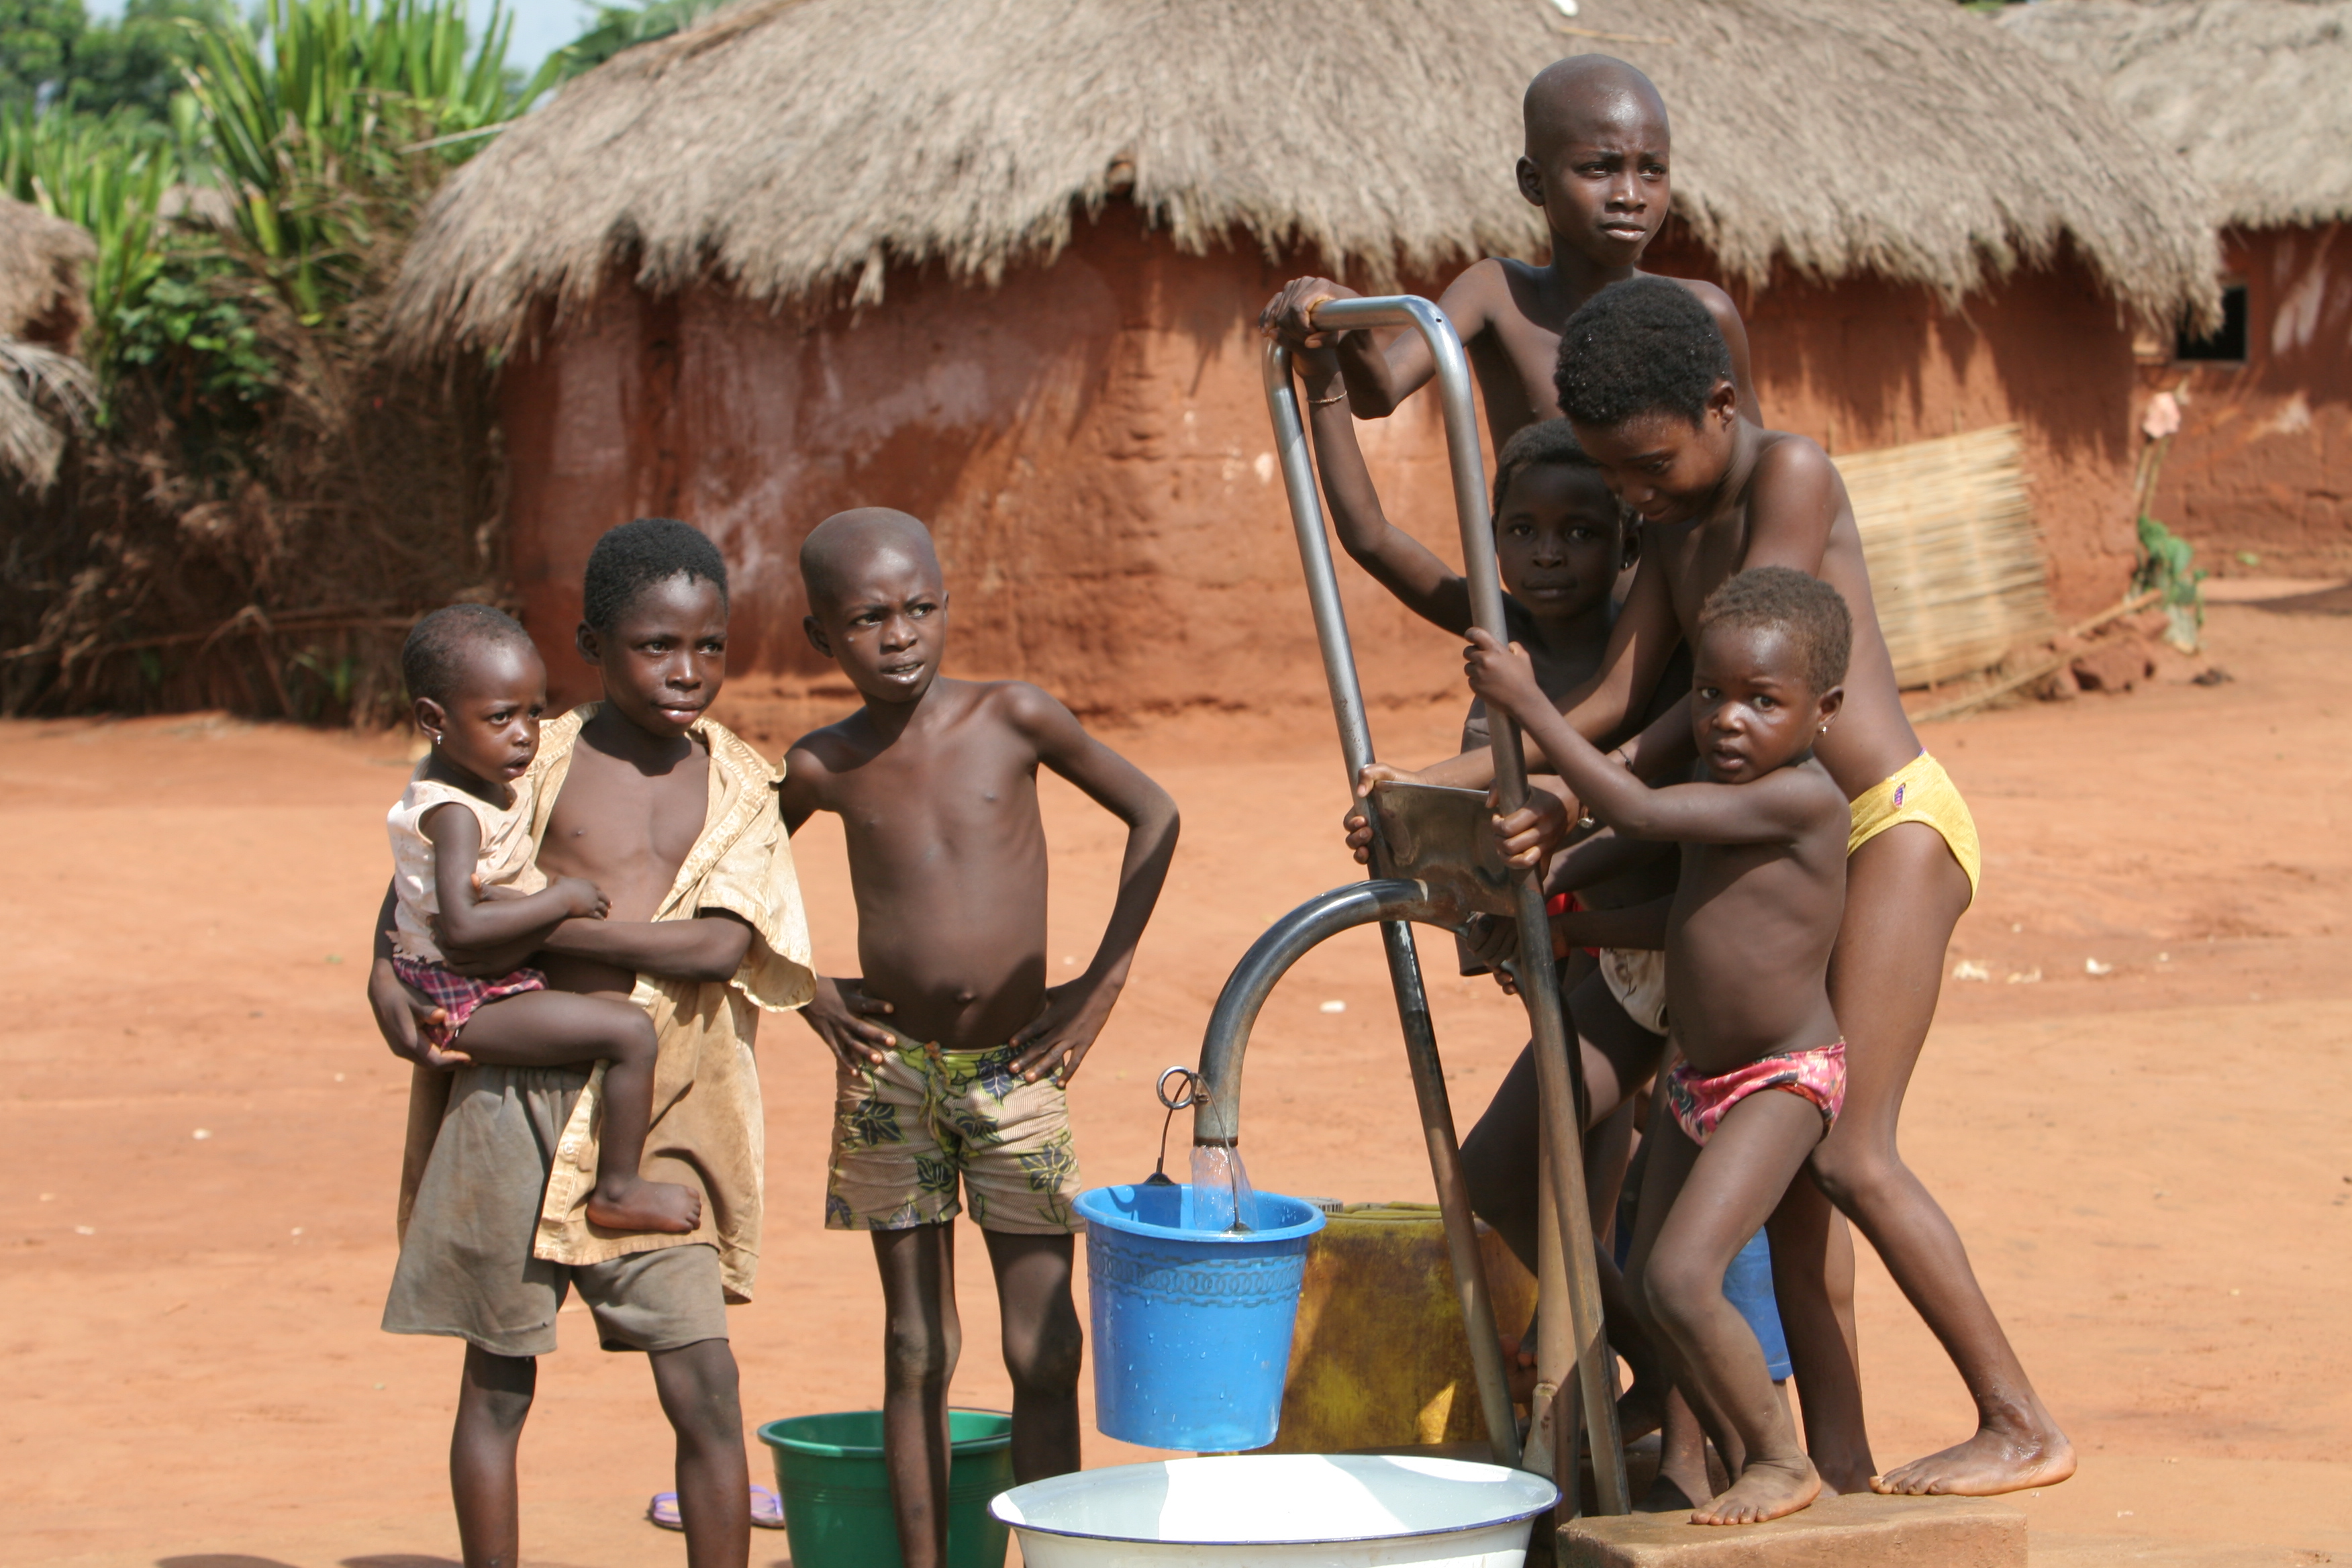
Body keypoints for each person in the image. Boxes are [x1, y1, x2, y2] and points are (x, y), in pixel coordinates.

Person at [1373, 277, 2073, 1497]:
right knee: (1795, 1193)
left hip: (1878, 827)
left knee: (1850, 1155)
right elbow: (1628, 703)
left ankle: (2018, 1421)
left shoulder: (1784, 477)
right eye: (1617, 480)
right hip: (1765, 848)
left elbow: (1728, 712)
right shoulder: (1674, 518)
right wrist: (1434, 786)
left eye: (1644, 468)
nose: (1631, 499)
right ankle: (1833, 1463)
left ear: (1717, 405)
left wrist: (1570, 794)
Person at [369, 519, 816, 1568]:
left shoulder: (747, 785)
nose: (687, 671)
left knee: (706, 1383)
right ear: (593, 646)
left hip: (663, 1116)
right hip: (512, 1099)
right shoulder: (531, 753)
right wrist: (384, 976)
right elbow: (423, 887)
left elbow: (720, 948)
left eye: (710, 647)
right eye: (657, 645)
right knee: (496, 1380)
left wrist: (560, 925)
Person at [779, 508, 1179, 1568]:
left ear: (948, 604)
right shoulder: (821, 764)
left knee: (1044, 1347)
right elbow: (730, 883)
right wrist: (808, 991)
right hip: (889, 1074)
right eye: (867, 619)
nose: (900, 635)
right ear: (822, 638)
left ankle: (1053, 1556)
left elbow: (1156, 813)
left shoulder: (1016, 716)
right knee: (916, 1345)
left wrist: (1098, 986)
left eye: (918, 608)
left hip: (1020, 1072)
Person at [1467, 565, 1856, 1525]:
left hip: (1778, 1081)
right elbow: (1682, 918)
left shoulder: (1804, 801)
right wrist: (1573, 932)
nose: (1728, 720)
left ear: (1825, 713)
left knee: (1684, 1275)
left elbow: (1634, 812)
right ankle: (1735, 1450)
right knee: (1651, 1278)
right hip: (1699, 1075)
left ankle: (1779, 1456)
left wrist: (1527, 708)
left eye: (1763, 702)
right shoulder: (1734, 792)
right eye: (1709, 695)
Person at [384, 603, 701, 1236]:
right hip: (467, 999)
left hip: (475, 985)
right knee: (630, 1034)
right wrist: (561, 898)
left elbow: (407, 893)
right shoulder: (456, 815)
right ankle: (617, 1187)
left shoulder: (473, 779)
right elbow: (464, 928)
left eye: (535, 710)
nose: (526, 733)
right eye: (501, 717)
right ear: (433, 720)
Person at [1258, 53, 1757, 452]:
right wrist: (1344, 319)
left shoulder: (1704, 313)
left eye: (1652, 170)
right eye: (1598, 168)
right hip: (1552, 580)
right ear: (1533, 182)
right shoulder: (1499, 293)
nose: (1630, 193)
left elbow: (1754, 475)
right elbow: (1379, 394)